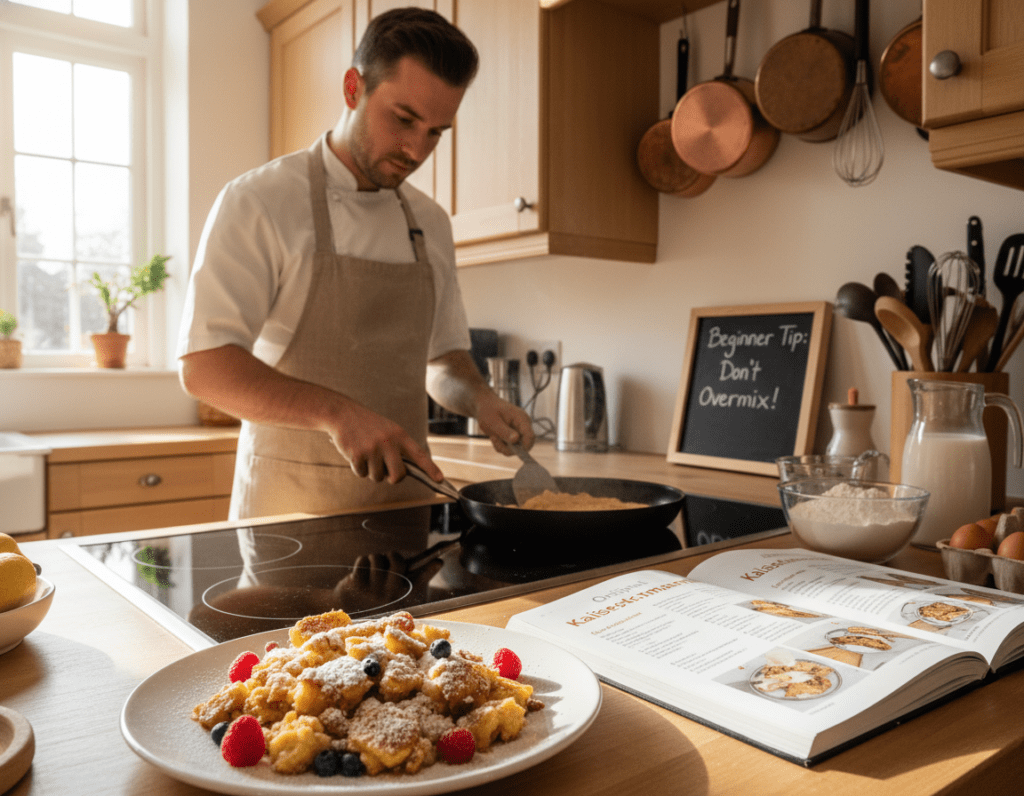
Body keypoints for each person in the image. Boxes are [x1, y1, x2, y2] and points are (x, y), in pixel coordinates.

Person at [177, 8, 533, 520]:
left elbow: (444, 364)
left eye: (437, 131)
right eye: (403, 119)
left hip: (405, 512)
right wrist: (338, 413)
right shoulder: (260, 201)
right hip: (288, 515)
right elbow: (205, 368)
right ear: (352, 89)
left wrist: (481, 400)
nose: (416, 149)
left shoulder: (430, 223)